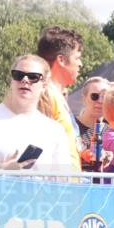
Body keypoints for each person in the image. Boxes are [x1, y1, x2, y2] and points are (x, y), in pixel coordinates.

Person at [36, 26, 84, 171]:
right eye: (77, 58)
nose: (80, 64)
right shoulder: (45, 94)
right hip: (58, 187)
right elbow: (40, 145)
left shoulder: (57, 94)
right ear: (61, 60)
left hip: (68, 184)